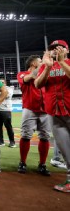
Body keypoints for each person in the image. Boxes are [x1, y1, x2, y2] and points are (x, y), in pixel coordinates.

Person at [35, 40, 70, 192]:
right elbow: (37, 84)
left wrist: (62, 63)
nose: (55, 50)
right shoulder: (45, 66)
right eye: (52, 49)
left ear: (67, 50)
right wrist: (48, 67)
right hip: (54, 113)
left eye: (59, 48)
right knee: (65, 149)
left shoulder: (67, 62)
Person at [17, 55, 51, 175]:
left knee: (45, 137)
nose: (42, 62)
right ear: (33, 64)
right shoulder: (22, 73)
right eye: (40, 61)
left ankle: (42, 164)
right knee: (26, 136)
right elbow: (28, 78)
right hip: (29, 109)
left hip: (45, 110)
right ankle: (22, 162)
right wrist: (45, 65)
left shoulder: (45, 73)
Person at [0, 79, 16, 147]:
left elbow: (7, 95)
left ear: (5, 83)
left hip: (6, 110)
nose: (1, 84)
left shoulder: (9, 89)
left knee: (8, 126)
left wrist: (1, 89)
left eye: (2, 82)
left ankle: (12, 142)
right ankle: (1, 141)